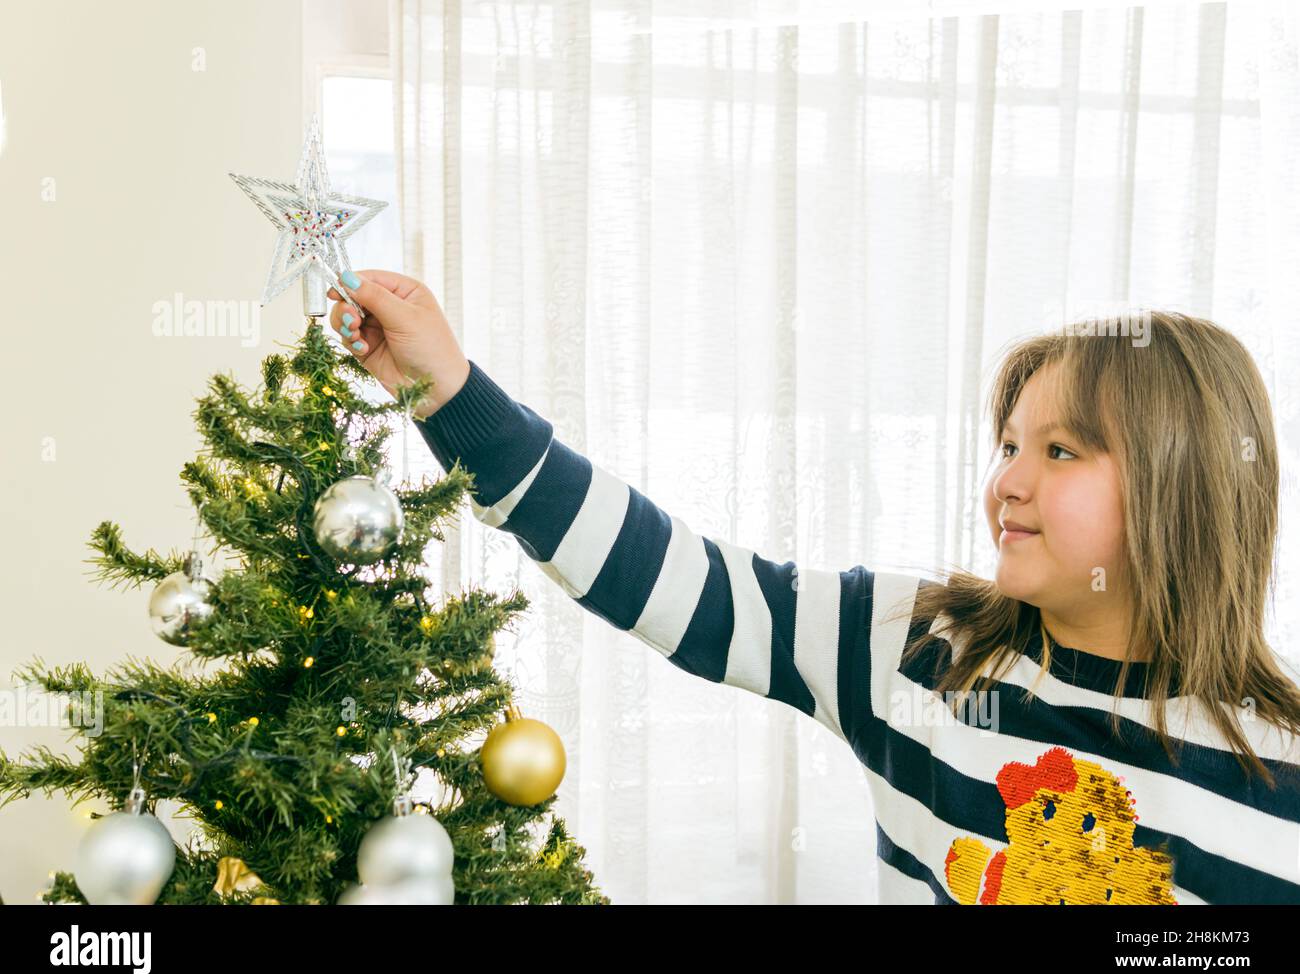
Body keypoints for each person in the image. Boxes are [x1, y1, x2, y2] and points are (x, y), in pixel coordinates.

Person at [326, 268, 1300, 904]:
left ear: (1183, 487)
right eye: (1007, 443)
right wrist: (449, 389)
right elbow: (669, 577)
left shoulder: (1283, 779)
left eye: (1059, 449)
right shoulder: (915, 648)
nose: (1007, 478)